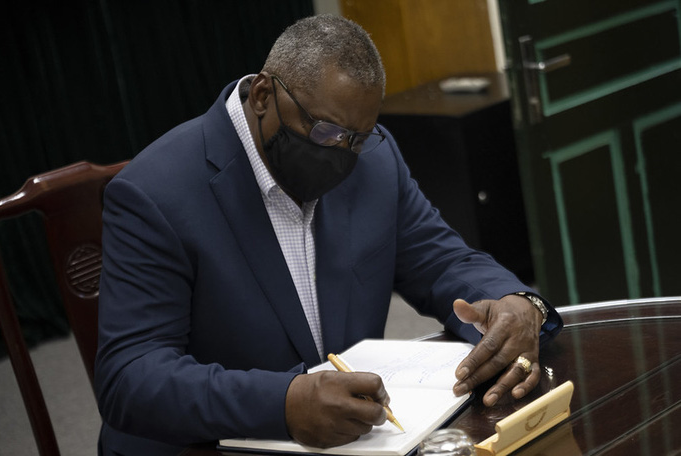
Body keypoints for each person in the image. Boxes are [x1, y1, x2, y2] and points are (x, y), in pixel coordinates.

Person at [94, 14, 563, 455]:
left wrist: (517, 303)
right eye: (325, 133)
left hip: (358, 440)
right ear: (263, 96)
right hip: (211, 446)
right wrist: (282, 403)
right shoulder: (155, 193)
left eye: (357, 138)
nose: (342, 155)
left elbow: (441, 261)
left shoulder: (373, 159)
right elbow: (130, 377)